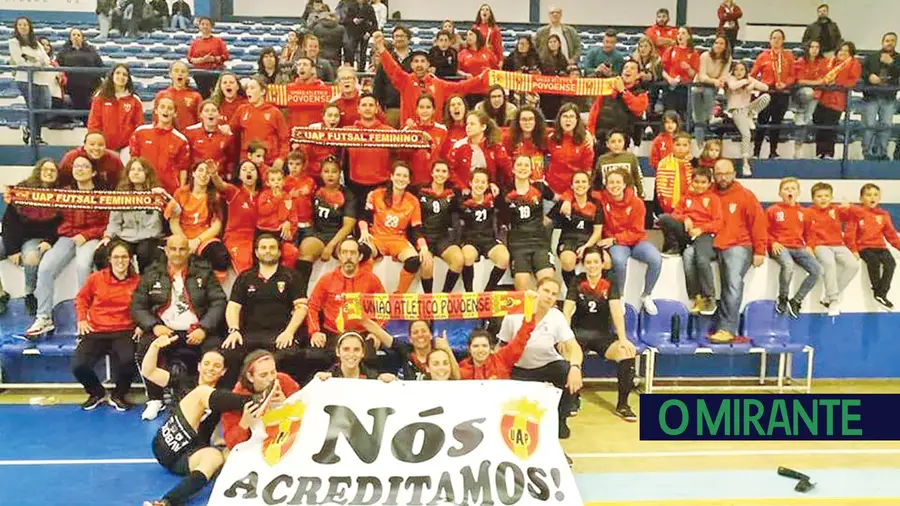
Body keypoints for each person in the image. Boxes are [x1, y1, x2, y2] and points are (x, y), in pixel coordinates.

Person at [141, 343, 252, 506]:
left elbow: (228, 421)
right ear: (199, 366)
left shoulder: (223, 396)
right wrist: (155, 345)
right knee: (201, 392)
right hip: (168, 443)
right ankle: (256, 401)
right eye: (206, 364)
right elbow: (148, 371)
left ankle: (166, 501)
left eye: (216, 366)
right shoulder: (183, 382)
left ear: (223, 371)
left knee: (215, 457)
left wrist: (223, 439)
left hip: (187, 457)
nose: (210, 368)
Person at [132, 234, 227, 421]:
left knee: (216, 351)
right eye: (173, 249)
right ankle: (155, 399)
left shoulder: (204, 272)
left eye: (182, 249)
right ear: (166, 251)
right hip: (166, 331)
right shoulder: (152, 273)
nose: (177, 253)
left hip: (197, 330)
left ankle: (208, 398)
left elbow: (219, 301)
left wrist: (204, 328)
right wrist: (154, 326)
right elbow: (137, 305)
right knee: (145, 347)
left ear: (188, 251)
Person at [25, 157, 109, 338]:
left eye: (84, 166)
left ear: (93, 172)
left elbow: (107, 223)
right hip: (66, 237)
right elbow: (54, 220)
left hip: (90, 237)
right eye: (76, 166)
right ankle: (44, 317)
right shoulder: (65, 193)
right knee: (46, 267)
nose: (79, 169)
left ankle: (86, 316)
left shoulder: (102, 194)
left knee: (83, 265)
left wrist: (86, 235)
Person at [498, 277, 583, 447]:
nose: (549, 296)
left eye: (553, 294)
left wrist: (575, 367)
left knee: (567, 371)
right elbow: (502, 345)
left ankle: (561, 420)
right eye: (546, 291)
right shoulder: (515, 312)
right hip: (519, 368)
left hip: (547, 366)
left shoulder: (557, 317)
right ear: (536, 290)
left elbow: (574, 347)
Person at [221, 234, 307, 385]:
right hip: (250, 334)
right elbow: (233, 306)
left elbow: (301, 308)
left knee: (292, 356)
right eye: (264, 247)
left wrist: (289, 332)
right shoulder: (245, 277)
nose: (268, 251)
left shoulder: (291, 276)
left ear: (279, 252)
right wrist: (234, 330)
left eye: (272, 248)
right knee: (229, 353)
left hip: (280, 334)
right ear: (256, 252)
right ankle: (237, 398)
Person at [562, 247, 637, 420]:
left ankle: (623, 405)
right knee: (568, 353)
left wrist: (623, 339)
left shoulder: (610, 283)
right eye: (588, 262)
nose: (592, 265)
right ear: (584, 264)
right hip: (579, 334)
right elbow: (567, 310)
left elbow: (617, 312)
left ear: (602, 264)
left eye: (596, 262)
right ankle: (573, 398)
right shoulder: (577, 281)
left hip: (602, 335)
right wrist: (565, 337)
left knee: (627, 352)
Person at [73, 240, 140, 411]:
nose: (120, 261)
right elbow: (81, 299)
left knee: (128, 361)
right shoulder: (96, 278)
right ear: (109, 259)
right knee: (78, 365)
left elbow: (145, 306)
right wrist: (82, 319)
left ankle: (118, 395)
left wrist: (141, 325)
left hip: (124, 331)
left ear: (130, 259)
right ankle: (96, 393)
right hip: (97, 330)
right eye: (116, 257)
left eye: (124, 257)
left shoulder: (138, 282)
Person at [306, 237, 386, 373]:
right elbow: (312, 306)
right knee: (314, 358)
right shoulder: (326, 279)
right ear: (339, 256)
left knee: (371, 361)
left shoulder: (371, 279)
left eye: (353, 253)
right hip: (332, 333)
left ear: (360, 256)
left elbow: (384, 308)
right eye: (344, 252)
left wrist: (377, 332)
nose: (348, 257)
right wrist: (315, 332)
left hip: (362, 334)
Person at [709, 159, 767, 343]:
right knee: (689, 257)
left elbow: (758, 224)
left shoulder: (745, 195)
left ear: (734, 174)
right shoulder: (707, 193)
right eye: (719, 173)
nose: (723, 177)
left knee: (733, 283)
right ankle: (704, 317)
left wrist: (760, 250)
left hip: (739, 245)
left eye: (726, 173)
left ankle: (727, 328)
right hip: (713, 242)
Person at [376, 36, 487, 127]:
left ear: (428, 64)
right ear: (411, 65)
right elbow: (392, 69)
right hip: (410, 135)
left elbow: (461, 87)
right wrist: (382, 49)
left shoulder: (438, 84)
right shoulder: (405, 81)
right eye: (416, 61)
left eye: (423, 61)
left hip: (435, 136)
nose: (419, 65)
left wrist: (480, 78)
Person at [593, 169, 661, 315]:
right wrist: (567, 198)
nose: (614, 185)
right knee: (618, 261)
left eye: (618, 182)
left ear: (625, 184)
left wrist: (615, 239)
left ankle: (647, 295)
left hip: (635, 241)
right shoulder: (601, 199)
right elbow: (582, 190)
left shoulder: (637, 203)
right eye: (611, 182)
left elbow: (637, 231)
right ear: (605, 184)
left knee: (655, 258)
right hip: (616, 243)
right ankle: (620, 297)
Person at [0, 159, 63, 316]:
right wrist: (12, 249)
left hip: (38, 238)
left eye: (52, 171)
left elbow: (61, 224)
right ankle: (0, 294)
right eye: (45, 170)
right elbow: (9, 221)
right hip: (15, 236)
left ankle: (30, 294)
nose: (49, 173)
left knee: (32, 258)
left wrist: (49, 241)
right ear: (39, 171)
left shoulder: (63, 195)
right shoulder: (23, 189)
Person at [658, 167, 722, 314]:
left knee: (692, 256)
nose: (699, 185)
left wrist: (701, 229)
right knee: (664, 219)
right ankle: (673, 247)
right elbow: (676, 213)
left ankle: (708, 297)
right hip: (687, 233)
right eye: (696, 182)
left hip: (705, 235)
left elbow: (718, 223)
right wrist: (685, 218)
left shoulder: (713, 199)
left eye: (703, 182)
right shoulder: (686, 197)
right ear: (691, 182)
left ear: (709, 183)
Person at [359, 162, 425, 293]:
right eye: (398, 175)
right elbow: (364, 216)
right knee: (363, 252)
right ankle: (364, 292)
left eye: (404, 176)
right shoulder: (376, 194)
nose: (401, 178)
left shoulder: (413, 201)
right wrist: (364, 231)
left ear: (409, 180)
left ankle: (399, 295)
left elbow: (417, 228)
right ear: (392, 177)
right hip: (378, 238)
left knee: (414, 260)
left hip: (398, 240)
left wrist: (423, 247)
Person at [296, 158, 357, 293]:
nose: (330, 175)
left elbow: (348, 225)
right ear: (321, 174)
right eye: (326, 171)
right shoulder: (316, 191)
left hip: (340, 235)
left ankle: (349, 293)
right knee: (305, 249)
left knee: (348, 253)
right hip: (320, 233)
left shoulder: (348, 194)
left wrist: (331, 245)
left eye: (334, 172)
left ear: (340, 174)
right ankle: (300, 298)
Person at [96, 157, 166, 272]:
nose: (136, 172)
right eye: (132, 170)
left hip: (149, 237)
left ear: (147, 173)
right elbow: (114, 221)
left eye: (140, 170)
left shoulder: (157, 194)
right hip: (126, 236)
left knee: (145, 252)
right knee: (102, 253)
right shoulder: (121, 195)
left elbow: (175, 212)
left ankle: (144, 284)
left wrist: (165, 196)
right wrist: (107, 236)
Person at [767, 177, 822, 318]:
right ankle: (783, 297)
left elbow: (810, 233)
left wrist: (810, 246)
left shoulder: (804, 212)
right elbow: (763, 230)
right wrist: (772, 242)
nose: (789, 191)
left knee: (817, 270)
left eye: (793, 188)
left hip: (798, 247)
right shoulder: (773, 210)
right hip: (780, 246)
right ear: (780, 193)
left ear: (798, 192)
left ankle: (796, 300)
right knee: (788, 265)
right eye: (786, 189)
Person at [166, 161, 231, 278]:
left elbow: (217, 225)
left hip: (203, 238)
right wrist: (184, 242)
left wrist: (197, 241)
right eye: (200, 170)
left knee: (220, 257)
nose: (203, 174)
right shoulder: (180, 193)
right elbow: (174, 222)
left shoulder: (215, 196)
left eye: (207, 172)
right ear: (193, 173)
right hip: (181, 235)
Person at [503, 155, 556, 291]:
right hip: (518, 244)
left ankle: (549, 311)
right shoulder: (505, 191)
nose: (523, 168)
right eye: (519, 165)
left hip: (540, 242)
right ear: (513, 169)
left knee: (548, 284)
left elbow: (560, 201)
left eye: (526, 165)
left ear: (531, 169)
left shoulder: (540, 187)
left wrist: (549, 217)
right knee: (522, 288)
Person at [805, 182, 858, 316]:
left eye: (826, 196)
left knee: (853, 265)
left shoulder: (836, 210)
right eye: (819, 196)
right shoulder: (809, 212)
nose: (823, 199)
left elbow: (859, 215)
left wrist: (850, 207)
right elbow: (809, 232)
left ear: (831, 197)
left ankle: (828, 297)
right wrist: (810, 247)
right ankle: (834, 299)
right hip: (820, 245)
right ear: (813, 199)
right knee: (829, 263)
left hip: (838, 244)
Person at [846, 183, 900, 310]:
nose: (872, 197)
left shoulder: (883, 215)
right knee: (873, 262)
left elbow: (891, 235)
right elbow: (849, 234)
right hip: (864, 247)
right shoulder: (856, 213)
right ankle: (877, 291)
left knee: (891, 263)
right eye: (868, 195)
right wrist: (853, 250)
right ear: (861, 198)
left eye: (875, 195)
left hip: (880, 247)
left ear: (879, 198)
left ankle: (882, 294)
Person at [459, 169, 510, 292]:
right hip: (471, 240)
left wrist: (498, 196)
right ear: (470, 183)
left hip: (489, 239)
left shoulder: (492, 201)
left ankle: (487, 292)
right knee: (467, 256)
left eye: (483, 182)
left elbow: (506, 214)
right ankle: (469, 293)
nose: (479, 185)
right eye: (476, 181)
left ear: (487, 185)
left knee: (504, 257)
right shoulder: (462, 201)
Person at [417, 161, 464, 293]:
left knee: (458, 260)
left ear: (448, 175)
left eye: (444, 171)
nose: (440, 174)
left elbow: (461, 210)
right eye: (437, 170)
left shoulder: (452, 194)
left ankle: (444, 296)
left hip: (442, 238)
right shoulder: (420, 191)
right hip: (424, 237)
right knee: (427, 264)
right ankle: (429, 300)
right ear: (432, 173)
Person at [549, 171, 602, 288]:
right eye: (577, 182)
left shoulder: (596, 204)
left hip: (588, 241)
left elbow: (598, 231)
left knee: (606, 261)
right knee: (568, 261)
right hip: (568, 241)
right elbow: (547, 221)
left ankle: (599, 292)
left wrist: (587, 246)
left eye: (584, 182)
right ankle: (573, 292)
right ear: (572, 186)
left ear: (588, 185)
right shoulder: (564, 203)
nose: (580, 185)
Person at [129, 95, 191, 194]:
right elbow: (133, 161)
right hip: (143, 189)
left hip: (169, 190)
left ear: (175, 113)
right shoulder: (140, 132)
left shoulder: (181, 140)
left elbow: (183, 169)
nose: (166, 111)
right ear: (156, 111)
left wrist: (181, 191)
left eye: (170, 108)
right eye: (162, 107)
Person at [228, 77, 289, 174]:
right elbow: (230, 131)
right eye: (247, 88)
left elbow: (285, 139)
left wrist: (281, 158)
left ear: (262, 91)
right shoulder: (242, 110)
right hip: (247, 162)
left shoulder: (274, 112)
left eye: (252, 88)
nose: (248, 91)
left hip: (269, 161)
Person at [587, 60, 648, 156]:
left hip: (623, 140)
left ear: (637, 75)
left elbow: (638, 108)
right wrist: (590, 132)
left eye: (632, 68)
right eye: (626, 68)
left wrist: (623, 91)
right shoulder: (608, 88)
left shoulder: (641, 93)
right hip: (601, 139)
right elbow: (595, 110)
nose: (628, 70)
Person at [751, 29, 795, 160]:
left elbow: (793, 75)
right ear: (770, 40)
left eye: (779, 38)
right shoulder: (763, 56)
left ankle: (773, 152)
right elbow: (752, 74)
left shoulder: (789, 56)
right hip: (766, 92)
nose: (776, 40)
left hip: (782, 93)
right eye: (774, 38)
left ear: (783, 41)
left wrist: (785, 84)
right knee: (762, 122)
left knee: (777, 123)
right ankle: (756, 152)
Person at [813, 42, 861, 160]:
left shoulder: (854, 64)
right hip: (823, 98)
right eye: (840, 50)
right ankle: (819, 153)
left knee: (830, 127)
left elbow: (852, 81)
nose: (842, 52)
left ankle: (828, 154)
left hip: (837, 101)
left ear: (851, 53)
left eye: (846, 50)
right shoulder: (830, 61)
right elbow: (820, 74)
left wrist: (838, 83)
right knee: (819, 124)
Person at [9, 16, 53, 145]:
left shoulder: (36, 43)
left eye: (26, 24)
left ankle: (29, 129)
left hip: (41, 80)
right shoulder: (14, 42)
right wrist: (35, 62)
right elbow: (20, 61)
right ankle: (36, 137)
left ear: (30, 27)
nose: (23, 27)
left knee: (45, 107)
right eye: (20, 24)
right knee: (33, 107)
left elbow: (46, 60)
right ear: (16, 27)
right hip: (25, 79)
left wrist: (32, 59)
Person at [345, 93, 395, 205]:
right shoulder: (347, 132)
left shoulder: (389, 131)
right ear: (358, 109)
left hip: (381, 184)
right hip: (354, 186)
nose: (367, 108)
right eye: (364, 105)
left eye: (371, 105)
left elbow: (404, 151)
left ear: (377, 109)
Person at [88, 64, 144, 155]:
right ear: (112, 75)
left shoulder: (135, 100)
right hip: (103, 147)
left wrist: (133, 146)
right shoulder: (100, 97)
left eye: (124, 75)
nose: (121, 77)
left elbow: (139, 126)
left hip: (127, 148)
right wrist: (97, 144)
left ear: (128, 79)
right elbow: (94, 123)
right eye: (118, 73)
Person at [447, 110, 512, 189]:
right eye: (467, 124)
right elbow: (450, 170)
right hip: (464, 191)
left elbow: (506, 170)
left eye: (472, 124)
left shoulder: (495, 146)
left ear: (483, 127)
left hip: (489, 190)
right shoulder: (459, 146)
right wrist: (462, 187)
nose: (468, 127)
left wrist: (495, 185)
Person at [727, 61, 770, 175]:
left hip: (747, 109)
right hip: (737, 110)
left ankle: (751, 116)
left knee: (766, 97)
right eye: (736, 69)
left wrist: (751, 84)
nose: (739, 72)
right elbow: (732, 86)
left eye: (742, 70)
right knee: (746, 135)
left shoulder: (749, 79)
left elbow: (765, 87)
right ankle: (745, 163)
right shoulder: (731, 78)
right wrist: (746, 81)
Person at [861, 33, 899, 161]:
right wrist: (870, 77)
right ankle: (867, 153)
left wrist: (892, 63)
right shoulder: (872, 57)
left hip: (889, 97)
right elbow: (863, 72)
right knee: (869, 125)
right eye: (887, 40)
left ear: (896, 43)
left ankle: (882, 153)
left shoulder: (898, 59)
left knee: (886, 125)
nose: (890, 43)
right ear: (882, 42)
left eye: (892, 41)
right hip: (871, 96)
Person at [545, 104, 594, 196]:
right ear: (559, 119)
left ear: (577, 120)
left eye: (571, 117)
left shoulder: (585, 142)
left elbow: (587, 172)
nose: (568, 120)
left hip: (574, 193)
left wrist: (570, 196)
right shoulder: (551, 138)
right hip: (552, 192)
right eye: (565, 116)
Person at [56, 28, 103, 119]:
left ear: (82, 37)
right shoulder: (63, 52)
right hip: (70, 88)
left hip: (89, 87)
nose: (76, 37)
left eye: (78, 35)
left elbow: (100, 65)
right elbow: (57, 66)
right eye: (73, 35)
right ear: (70, 38)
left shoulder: (91, 51)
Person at [692, 35, 731, 146]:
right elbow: (702, 76)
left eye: (721, 43)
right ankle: (699, 145)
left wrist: (720, 81)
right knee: (699, 119)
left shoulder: (728, 58)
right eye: (716, 43)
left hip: (712, 87)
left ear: (725, 46)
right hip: (698, 86)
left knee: (709, 92)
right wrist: (715, 81)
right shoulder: (705, 56)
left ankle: (711, 116)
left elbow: (724, 75)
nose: (718, 45)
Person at [315, 331, 396, 381]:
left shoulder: (373, 378)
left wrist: (393, 381)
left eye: (356, 349)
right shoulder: (326, 378)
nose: (351, 354)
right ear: (337, 351)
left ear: (363, 352)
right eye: (346, 349)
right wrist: (316, 381)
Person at [793, 41, 828, 158]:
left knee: (804, 122)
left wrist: (818, 83)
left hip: (816, 95)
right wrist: (817, 82)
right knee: (808, 92)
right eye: (812, 47)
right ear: (807, 48)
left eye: (817, 47)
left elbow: (825, 79)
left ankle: (798, 147)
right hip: (800, 94)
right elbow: (800, 81)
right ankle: (798, 148)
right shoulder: (801, 61)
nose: (814, 49)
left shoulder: (823, 63)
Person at [373, 25, 413, 128]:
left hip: (411, 110)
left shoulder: (417, 59)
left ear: (408, 39)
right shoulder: (386, 60)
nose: (399, 39)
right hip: (391, 109)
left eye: (402, 36)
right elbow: (378, 85)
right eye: (396, 36)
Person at [184, 101, 236, 178]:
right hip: (197, 178)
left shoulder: (227, 135)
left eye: (214, 110)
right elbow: (185, 160)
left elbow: (231, 160)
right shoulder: (189, 132)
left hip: (218, 178)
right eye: (207, 110)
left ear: (219, 115)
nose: (210, 113)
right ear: (201, 115)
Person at [58, 131, 124, 187]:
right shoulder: (71, 157)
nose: (96, 148)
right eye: (92, 144)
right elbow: (60, 181)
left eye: (100, 145)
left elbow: (122, 182)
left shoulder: (114, 159)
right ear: (85, 146)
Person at [594, 129, 644, 198]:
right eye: (613, 142)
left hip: (628, 198)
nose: (616, 144)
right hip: (607, 198)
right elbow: (597, 180)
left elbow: (638, 178)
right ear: (607, 144)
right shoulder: (602, 159)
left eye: (620, 141)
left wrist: (641, 194)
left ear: (624, 142)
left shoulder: (631, 157)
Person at [154, 61, 203, 132]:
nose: (180, 74)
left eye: (183, 71)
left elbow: (201, 121)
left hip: (190, 136)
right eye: (176, 71)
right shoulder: (161, 95)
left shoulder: (196, 96)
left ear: (187, 75)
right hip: (168, 135)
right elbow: (156, 120)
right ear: (170, 74)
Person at [655, 131, 693, 220]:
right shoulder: (664, 164)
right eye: (678, 145)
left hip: (689, 204)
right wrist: (665, 203)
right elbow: (660, 186)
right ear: (673, 145)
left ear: (689, 147)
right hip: (670, 205)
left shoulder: (692, 164)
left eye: (684, 145)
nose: (681, 148)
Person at [187, 17, 229, 98]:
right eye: (202, 24)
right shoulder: (195, 42)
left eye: (207, 24)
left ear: (211, 26)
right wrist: (201, 60)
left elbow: (226, 56)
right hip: (199, 75)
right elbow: (190, 58)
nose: (205, 26)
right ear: (199, 26)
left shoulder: (218, 41)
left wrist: (214, 59)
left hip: (215, 73)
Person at [343, 0, 377, 71]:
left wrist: (369, 33)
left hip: (365, 33)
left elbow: (374, 23)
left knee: (363, 53)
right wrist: (353, 21)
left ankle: (361, 70)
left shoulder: (369, 8)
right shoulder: (351, 7)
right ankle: (351, 69)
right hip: (353, 33)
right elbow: (345, 21)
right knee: (351, 51)